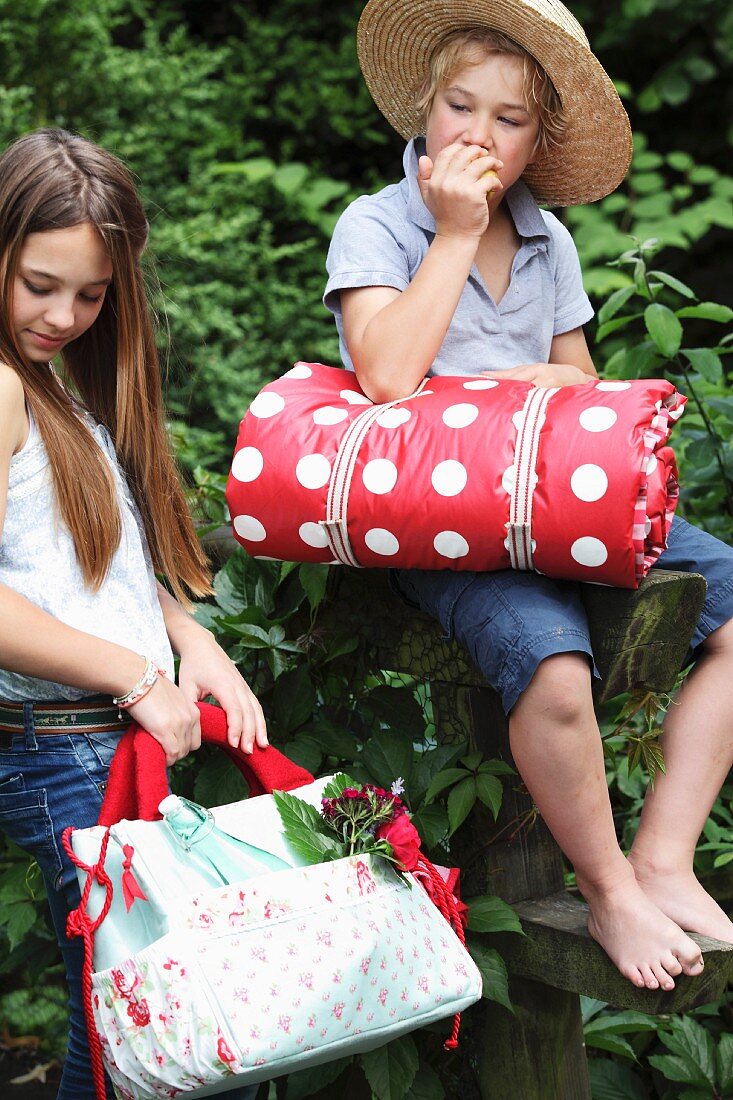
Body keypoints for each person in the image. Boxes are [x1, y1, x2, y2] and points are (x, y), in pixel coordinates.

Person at [325, 0, 733, 993]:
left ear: (537, 140)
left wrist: (556, 384)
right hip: (441, 522)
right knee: (552, 668)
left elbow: (579, 382)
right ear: (422, 111)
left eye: (508, 119)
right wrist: (455, 233)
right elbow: (385, 375)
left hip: (552, 502)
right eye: (460, 106)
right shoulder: (377, 225)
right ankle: (607, 887)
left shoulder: (546, 237)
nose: (478, 133)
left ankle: (661, 855)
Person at [0, 129, 264, 1100]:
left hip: (102, 744)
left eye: (91, 292)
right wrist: (138, 675)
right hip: (65, 749)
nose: (64, 314)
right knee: (153, 1044)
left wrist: (193, 641)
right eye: (39, 283)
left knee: (132, 1041)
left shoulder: (54, 389)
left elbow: (98, 568)